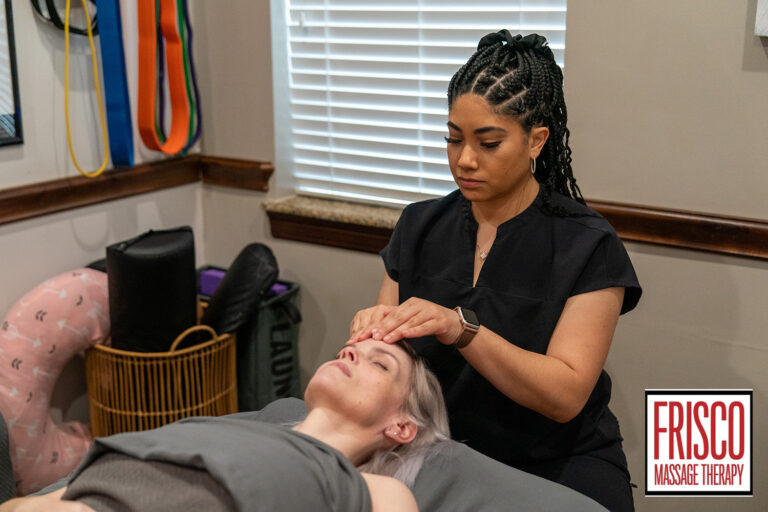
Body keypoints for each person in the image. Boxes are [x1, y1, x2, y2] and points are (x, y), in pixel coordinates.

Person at [347, 30, 642, 511]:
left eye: (488, 142)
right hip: (437, 447)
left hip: (555, 459)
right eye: (453, 139)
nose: (464, 160)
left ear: (536, 141)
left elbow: (565, 395)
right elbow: (388, 357)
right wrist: (373, 337)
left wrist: (458, 328)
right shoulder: (420, 224)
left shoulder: (586, 243)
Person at [0, 339, 450, 512]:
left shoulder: (376, 491)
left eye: (381, 363)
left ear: (401, 427)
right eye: (351, 348)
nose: (351, 351)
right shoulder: (223, 428)